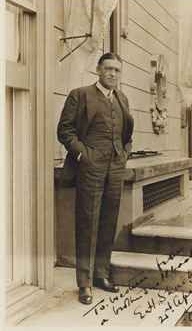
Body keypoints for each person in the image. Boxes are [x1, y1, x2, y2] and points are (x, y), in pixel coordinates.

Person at [57, 52, 134, 305]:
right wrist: (84, 156)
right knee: (87, 222)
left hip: (115, 168)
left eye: (117, 70)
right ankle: (85, 283)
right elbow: (65, 131)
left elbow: (127, 133)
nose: (112, 73)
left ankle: (101, 275)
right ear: (98, 70)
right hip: (90, 167)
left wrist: (124, 154)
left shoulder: (122, 98)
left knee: (108, 220)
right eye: (108, 69)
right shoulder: (80, 95)